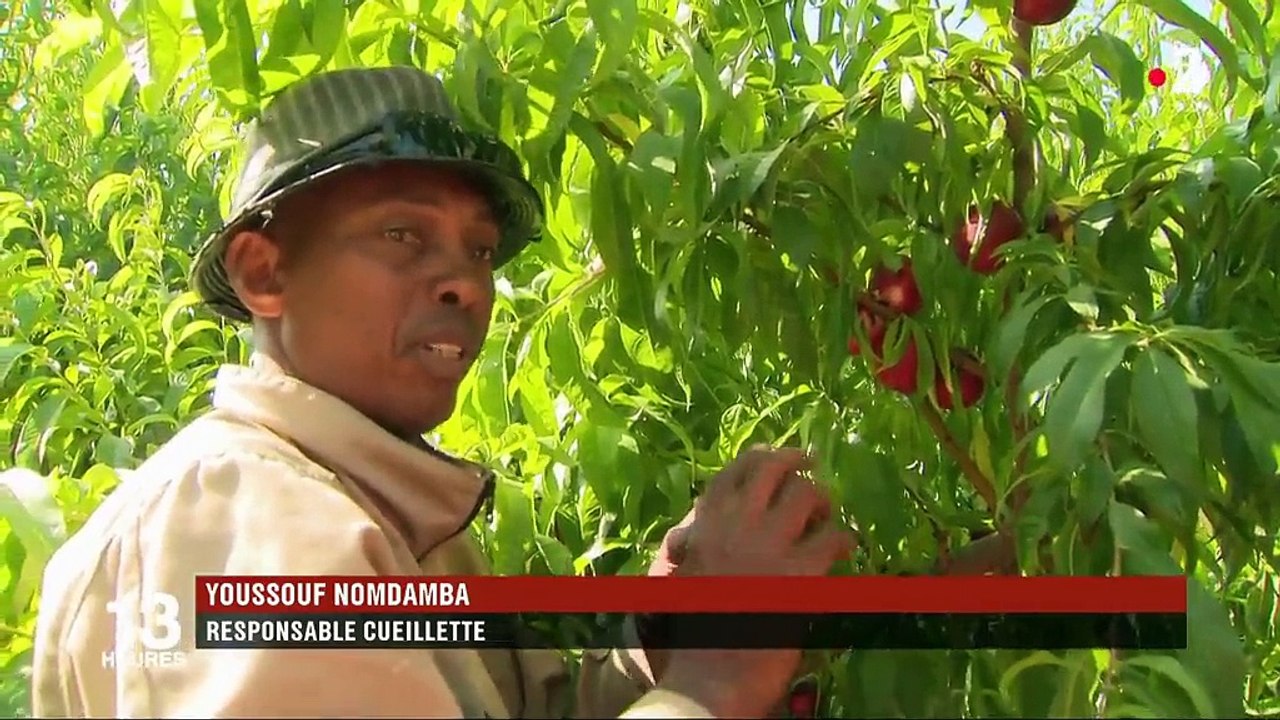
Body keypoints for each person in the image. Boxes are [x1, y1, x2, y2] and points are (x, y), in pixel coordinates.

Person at [30, 65, 852, 718]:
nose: (465, 282)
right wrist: (718, 680)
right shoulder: (236, 515)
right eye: (401, 234)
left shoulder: (396, 528)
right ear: (265, 272)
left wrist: (664, 640)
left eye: (482, 251)